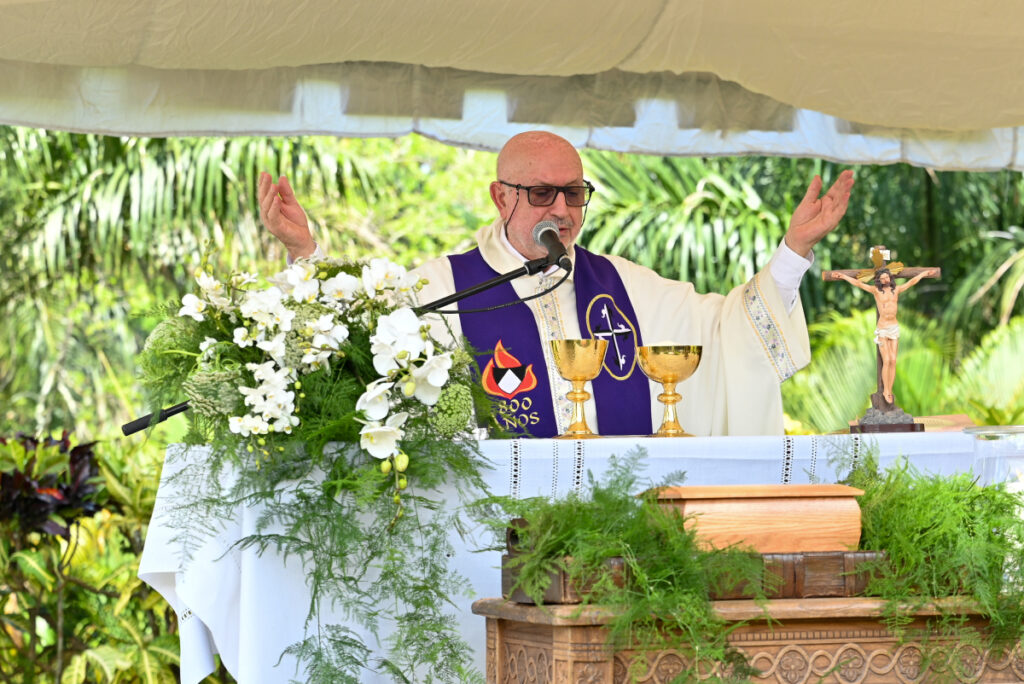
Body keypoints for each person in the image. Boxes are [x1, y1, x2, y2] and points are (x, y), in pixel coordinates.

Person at [258, 131, 855, 437]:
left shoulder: (622, 285)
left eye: (574, 193)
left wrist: (793, 252)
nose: (563, 210)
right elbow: (357, 338)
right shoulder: (445, 288)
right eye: (542, 193)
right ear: (500, 197)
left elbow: (728, 332)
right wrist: (305, 253)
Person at [832, 267, 938, 405]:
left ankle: (889, 389)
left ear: (890, 277)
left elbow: (912, 282)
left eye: (886, 277)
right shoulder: (876, 291)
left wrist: (923, 274)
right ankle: (885, 391)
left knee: (893, 360)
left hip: (894, 327)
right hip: (882, 328)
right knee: (886, 360)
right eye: (882, 278)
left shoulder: (897, 290)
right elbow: (859, 284)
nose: (885, 280)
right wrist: (843, 276)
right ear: (879, 280)